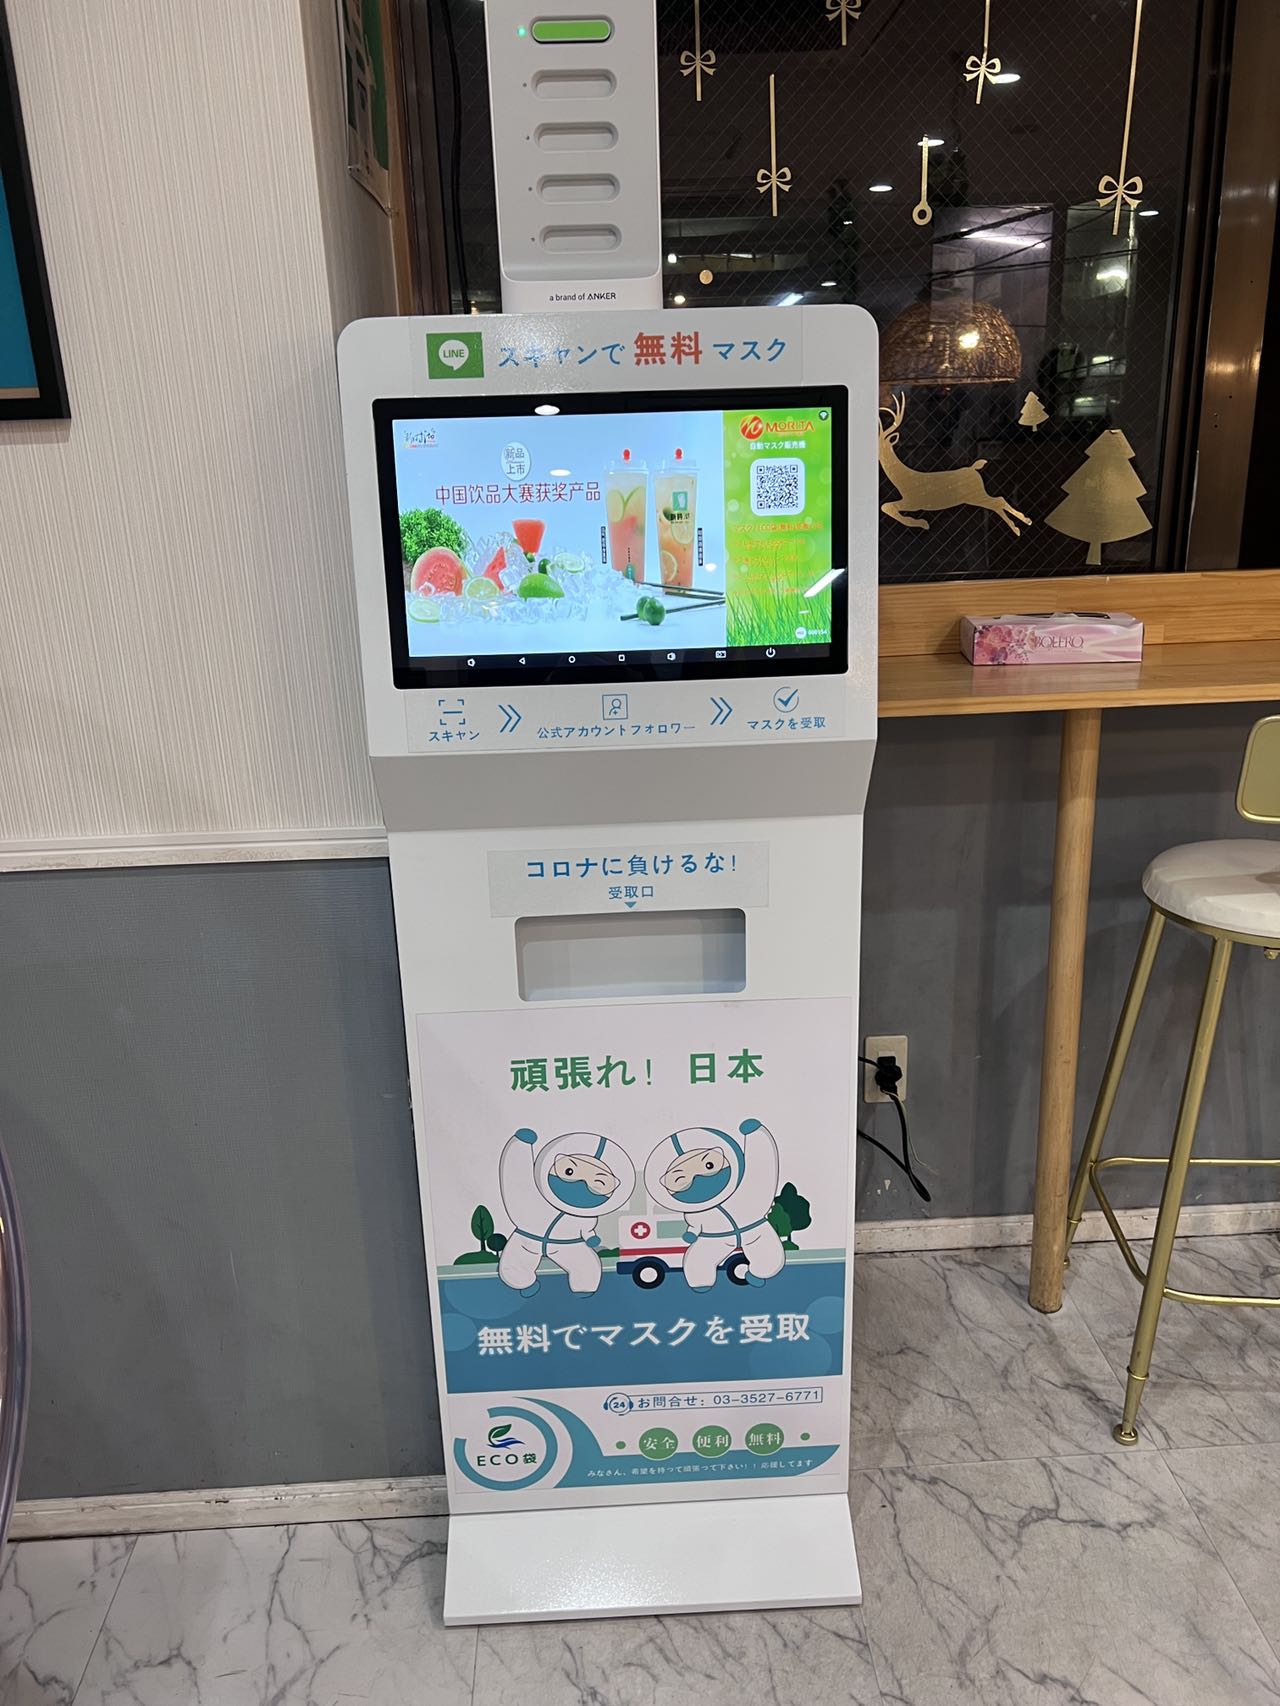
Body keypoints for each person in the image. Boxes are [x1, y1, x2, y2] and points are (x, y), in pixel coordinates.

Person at [645, 1120, 784, 1291]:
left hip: (755, 1228)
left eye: (709, 1165)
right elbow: (695, 1224)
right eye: (680, 1179)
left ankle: (758, 1273)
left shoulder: (746, 1188)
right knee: (699, 1259)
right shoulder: (695, 1212)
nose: (698, 1178)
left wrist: (756, 1136)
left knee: (770, 1257)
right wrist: (692, 1233)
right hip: (716, 1237)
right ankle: (701, 1282)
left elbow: (762, 1168)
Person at [496, 1127, 635, 1296]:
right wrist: (520, 1146)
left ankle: (584, 1288)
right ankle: (524, 1283)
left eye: (598, 1183)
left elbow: (587, 1229)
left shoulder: (586, 1216)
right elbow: (515, 1175)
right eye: (570, 1172)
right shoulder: (532, 1198)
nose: (581, 1183)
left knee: (587, 1264)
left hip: (566, 1243)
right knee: (512, 1265)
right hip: (526, 1238)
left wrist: (590, 1237)